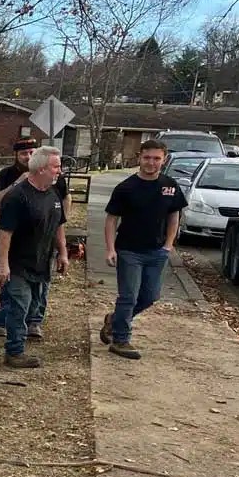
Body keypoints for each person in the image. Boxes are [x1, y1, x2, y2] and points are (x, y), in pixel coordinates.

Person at [0, 148, 70, 369]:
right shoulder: (17, 196)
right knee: (20, 306)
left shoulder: (53, 194)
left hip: (40, 260)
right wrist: (2, 264)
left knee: (31, 309)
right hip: (16, 262)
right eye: (56, 167)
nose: (59, 171)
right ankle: (14, 352)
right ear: (41, 169)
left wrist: (63, 253)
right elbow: (4, 233)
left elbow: (59, 226)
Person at [98, 139, 187, 360]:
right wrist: (110, 249)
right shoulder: (126, 188)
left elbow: (174, 215)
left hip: (157, 252)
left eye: (156, 158)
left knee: (149, 296)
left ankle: (114, 320)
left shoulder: (170, 186)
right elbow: (111, 219)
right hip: (129, 250)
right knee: (128, 296)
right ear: (139, 157)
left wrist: (168, 244)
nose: (151, 162)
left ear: (164, 160)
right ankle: (121, 340)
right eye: (147, 158)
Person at [0, 138, 71, 338]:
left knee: (40, 288)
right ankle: (5, 328)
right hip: (17, 243)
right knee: (15, 291)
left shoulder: (54, 178)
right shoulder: (8, 175)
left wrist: (62, 244)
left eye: (31, 152)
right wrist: (19, 182)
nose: (28, 157)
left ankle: (34, 321)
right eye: (23, 153)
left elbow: (64, 201)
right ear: (16, 156)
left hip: (43, 242)